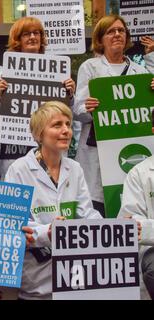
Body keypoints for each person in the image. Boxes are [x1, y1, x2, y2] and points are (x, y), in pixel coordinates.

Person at [5, 101, 102, 300]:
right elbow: (14, 225)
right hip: (36, 279)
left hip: (74, 277)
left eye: (68, 124)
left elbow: (87, 214)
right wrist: (48, 232)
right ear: (39, 133)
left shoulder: (74, 168)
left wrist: (113, 228)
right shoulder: (19, 169)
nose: (66, 130)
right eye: (57, 125)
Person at [73, 14, 154, 217]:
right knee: (99, 205)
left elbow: (148, 115)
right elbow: (77, 110)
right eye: (111, 31)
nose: (117, 34)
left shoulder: (140, 72)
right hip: (97, 150)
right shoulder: (90, 68)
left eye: (121, 31)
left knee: (128, 199)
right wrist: (87, 108)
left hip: (129, 147)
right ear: (100, 39)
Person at [0, 16, 77, 181]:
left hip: (47, 146)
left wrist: (70, 96)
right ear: (18, 40)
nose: (32, 37)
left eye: (36, 33)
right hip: (14, 146)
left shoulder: (58, 71)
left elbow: (66, 114)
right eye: (26, 34)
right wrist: (1, 98)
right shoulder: (5, 73)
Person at [118, 155, 154, 300]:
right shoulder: (139, 173)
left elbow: (143, 228)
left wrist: (148, 228)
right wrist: (146, 230)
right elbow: (133, 224)